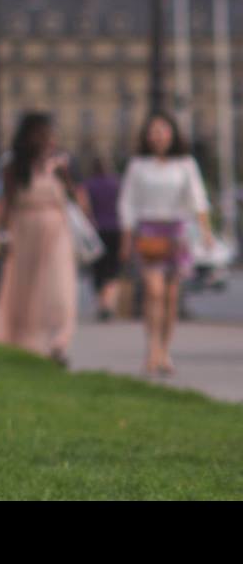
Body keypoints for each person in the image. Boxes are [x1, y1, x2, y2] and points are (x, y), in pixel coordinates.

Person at [117, 112, 214, 379]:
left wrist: (206, 232)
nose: (158, 136)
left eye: (163, 130)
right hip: (149, 231)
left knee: (172, 297)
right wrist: (127, 238)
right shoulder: (138, 166)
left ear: (172, 134)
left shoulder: (185, 164)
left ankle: (165, 351)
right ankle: (152, 349)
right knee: (154, 292)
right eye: (154, 131)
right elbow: (128, 202)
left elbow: (198, 198)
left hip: (176, 233)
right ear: (147, 136)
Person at [0, 112, 83, 365]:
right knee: (25, 291)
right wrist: (0, 233)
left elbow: (79, 200)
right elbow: (4, 202)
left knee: (59, 287)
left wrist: (67, 177)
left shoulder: (61, 165)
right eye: (43, 134)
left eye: (52, 135)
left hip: (56, 232)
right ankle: (25, 342)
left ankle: (58, 340)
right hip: (24, 232)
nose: (50, 140)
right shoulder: (13, 166)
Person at [81, 153, 125, 322]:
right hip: (116, 229)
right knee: (113, 268)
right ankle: (107, 304)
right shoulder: (117, 183)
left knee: (98, 269)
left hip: (96, 230)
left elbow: (85, 207)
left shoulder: (88, 184)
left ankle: (102, 304)